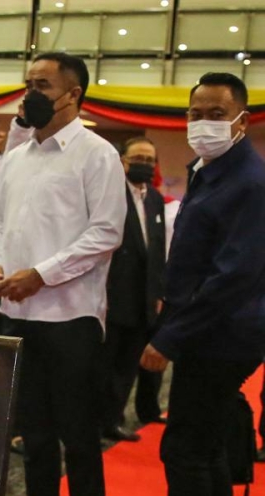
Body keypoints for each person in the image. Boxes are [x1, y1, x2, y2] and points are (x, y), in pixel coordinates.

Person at [0, 53, 126, 496]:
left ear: (74, 95)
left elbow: (105, 234)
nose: (31, 93)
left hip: (70, 318)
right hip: (18, 316)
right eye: (28, 83)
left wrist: (40, 274)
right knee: (34, 436)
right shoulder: (18, 155)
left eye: (42, 85)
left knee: (79, 439)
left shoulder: (96, 154)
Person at [123, 73, 265, 496]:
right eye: (195, 111)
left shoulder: (249, 181)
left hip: (219, 334)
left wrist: (171, 338)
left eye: (215, 112)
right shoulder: (212, 170)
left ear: (241, 119)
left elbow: (234, 275)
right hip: (213, 329)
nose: (201, 122)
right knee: (203, 446)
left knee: (184, 448)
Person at [99, 137, 166, 443]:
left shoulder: (154, 198)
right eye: (138, 158)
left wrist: (158, 293)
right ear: (123, 160)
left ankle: (113, 418)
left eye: (150, 160)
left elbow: (156, 250)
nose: (145, 164)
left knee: (127, 365)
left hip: (144, 298)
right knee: (105, 364)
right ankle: (98, 421)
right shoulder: (109, 193)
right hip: (113, 296)